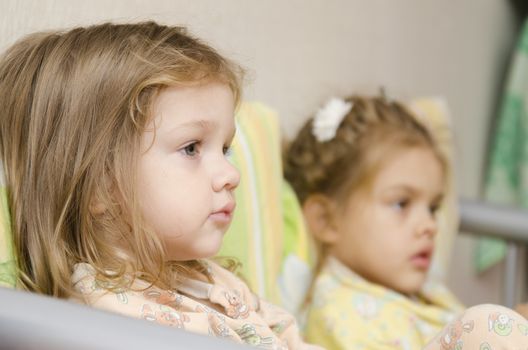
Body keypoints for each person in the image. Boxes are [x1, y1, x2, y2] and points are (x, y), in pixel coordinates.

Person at [0, 21, 319, 349]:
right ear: (101, 187)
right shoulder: (108, 314)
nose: (231, 174)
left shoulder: (211, 278)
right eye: (192, 148)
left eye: (224, 149)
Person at [284, 95, 528, 349]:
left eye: (433, 208)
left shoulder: (427, 293)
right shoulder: (337, 313)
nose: (430, 226)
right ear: (327, 220)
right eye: (401, 203)